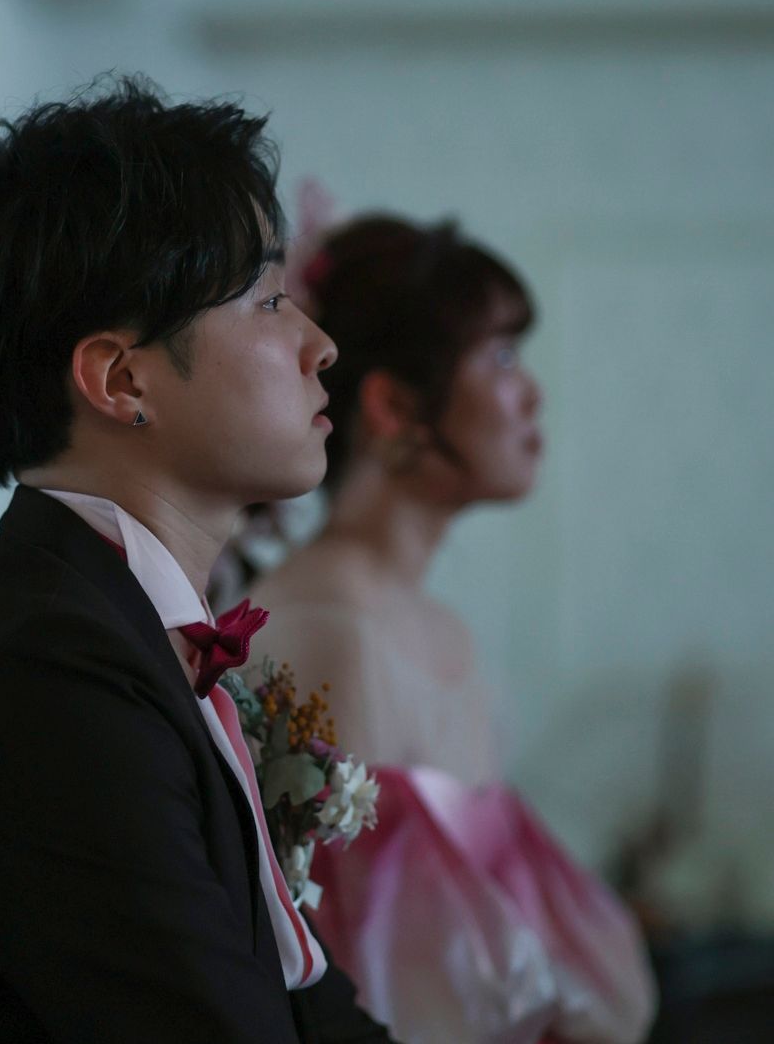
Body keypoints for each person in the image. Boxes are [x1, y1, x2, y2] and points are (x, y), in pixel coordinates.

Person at [0, 81, 396, 1043]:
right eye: (268, 299)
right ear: (122, 380)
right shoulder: (38, 670)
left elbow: (313, 1013)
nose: (321, 347)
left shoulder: (106, 626)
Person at [249, 214, 657, 1044]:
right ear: (394, 405)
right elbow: (358, 973)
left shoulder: (439, 631)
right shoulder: (330, 631)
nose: (533, 393)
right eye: (501, 358)